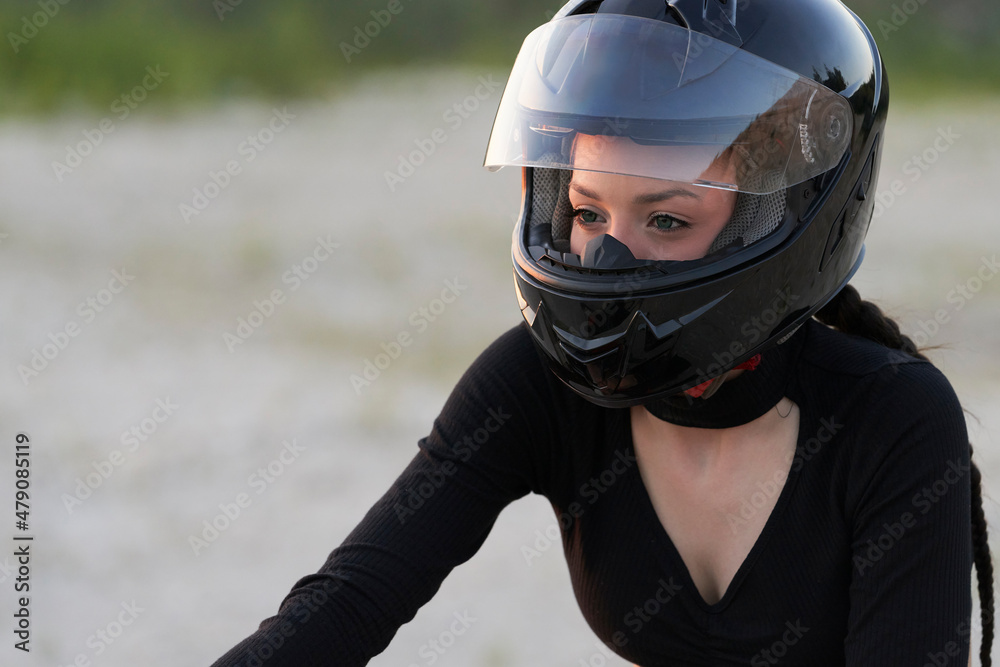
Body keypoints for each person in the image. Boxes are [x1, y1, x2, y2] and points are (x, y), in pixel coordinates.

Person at [212, 0, 994, 665]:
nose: (611, 256)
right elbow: (344, 606)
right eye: (588, 213)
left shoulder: (894, 421)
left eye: (666, 218)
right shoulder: (539, 385)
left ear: (774, 214)